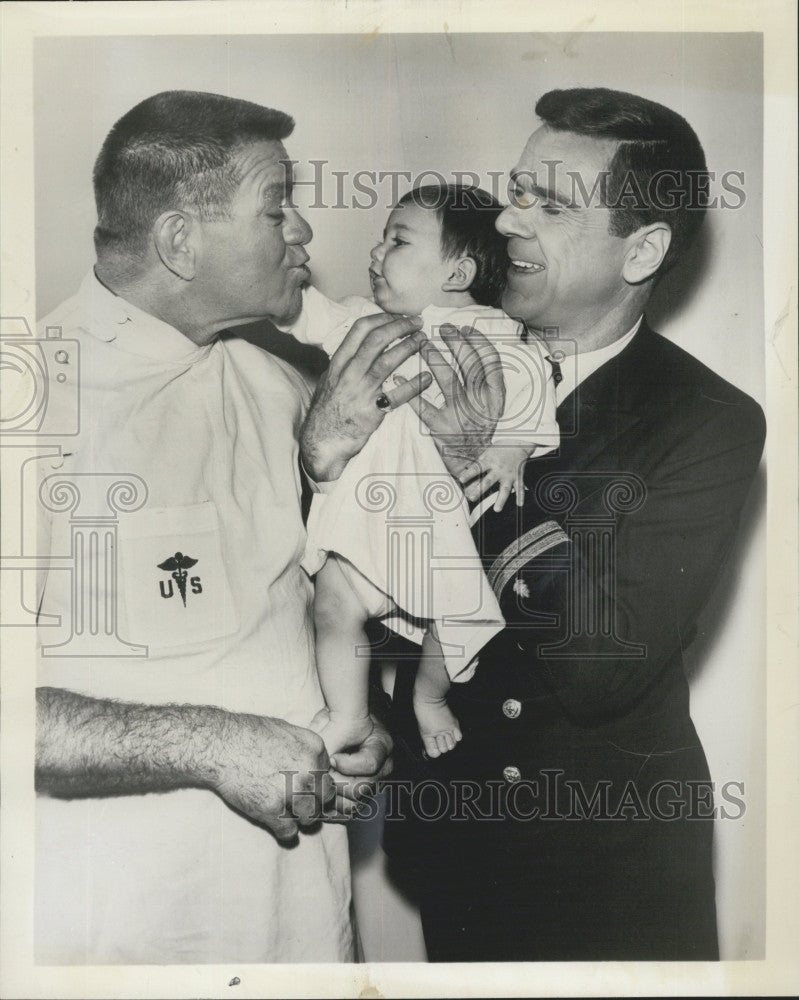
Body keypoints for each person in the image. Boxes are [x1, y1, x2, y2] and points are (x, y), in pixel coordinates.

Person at [32, 90, 502, 964]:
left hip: (301, 916)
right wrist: (216, 747)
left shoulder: (277, 387)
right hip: (128, 931)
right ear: (181, 240)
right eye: (276, 206)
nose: (304, 234)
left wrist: (355, 732)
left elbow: (337, 598)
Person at [385, 87, 766, 962]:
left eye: (550, 206)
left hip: (599, 867)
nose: (510, 225)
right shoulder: (438, 349)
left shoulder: (704, 418)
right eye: (516, 193)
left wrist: (489, 464)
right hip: (459, 840)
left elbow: (601, 665)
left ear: (643, 250)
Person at [280, 184, 559, 759]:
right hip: (363, 524)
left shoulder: (493, 333)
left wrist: (512, 447)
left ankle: (429, 699)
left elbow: (531, 381)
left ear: (457, 273)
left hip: (434, 524)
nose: (376, 253)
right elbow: (307, 314)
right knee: (330, 607)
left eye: (398, 241)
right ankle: (349, 715)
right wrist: (276, 289)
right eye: (382, 239)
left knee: (454, 619)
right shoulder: (364, 321)